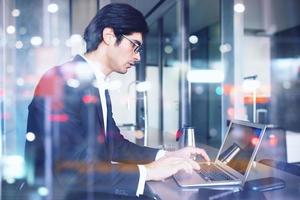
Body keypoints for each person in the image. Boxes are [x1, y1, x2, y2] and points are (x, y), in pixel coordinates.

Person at [25, 3, 210, 199]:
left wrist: (166, 156)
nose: (138, 56)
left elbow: (114, 144)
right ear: (109, 36)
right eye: (134, 45)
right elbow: (68, 170)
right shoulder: (59, 81)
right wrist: (149, 171)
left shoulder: (97, 84)